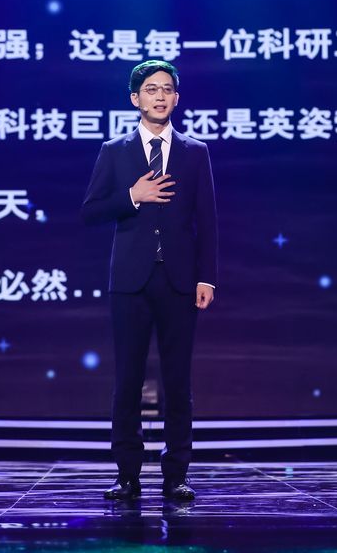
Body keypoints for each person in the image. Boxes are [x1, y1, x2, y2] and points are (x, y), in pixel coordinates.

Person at [81, 60, 218, 501]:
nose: (160, 96)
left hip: (180, 281)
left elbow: (207, 221)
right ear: (134, 98)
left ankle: (177, 474)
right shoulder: (114, 150)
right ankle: (127, 474)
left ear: (177, 98)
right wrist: (132, 196)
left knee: (178, 380)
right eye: (151, 89)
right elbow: (91, 211)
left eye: (167, 89)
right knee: (128, 380)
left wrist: (207, 278)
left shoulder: (195, 152)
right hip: (130, 282)